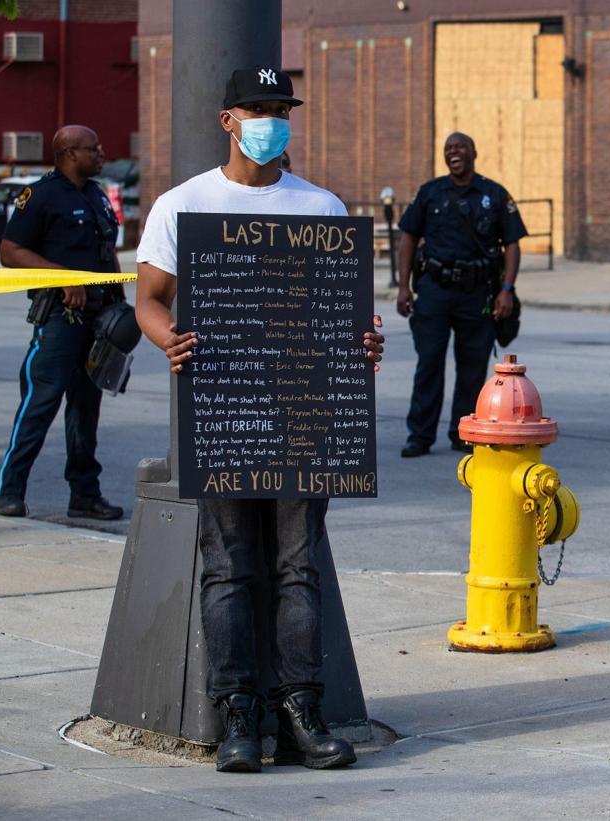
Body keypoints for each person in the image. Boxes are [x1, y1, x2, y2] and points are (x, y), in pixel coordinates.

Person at [133, 67, 385, 773]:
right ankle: (238, 713)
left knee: (297, 567)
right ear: (228, 120)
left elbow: (346, 313)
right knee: (229, 569)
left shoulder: (322, 206)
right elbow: (149, 298)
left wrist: (362, 341)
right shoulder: (183, 205)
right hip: (226, 408)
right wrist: (166, 336)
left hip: (305, 412)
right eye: (259, 108)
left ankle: (300, 710)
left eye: (281, 108)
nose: (272, 120)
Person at [0, 126, 125, 520]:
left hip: (99, 318)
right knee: (40, 403)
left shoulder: (96, 195)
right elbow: (10, 251)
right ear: (69, 153)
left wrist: (119, 303)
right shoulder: (41, 195)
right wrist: (63, 276)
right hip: (59, 318)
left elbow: (106, 252)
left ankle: (84, 493)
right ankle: (9, 491)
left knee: (86, 409)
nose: (101, 153)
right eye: (93, 148)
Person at [395, 132, 527, 458]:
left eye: (461, 148)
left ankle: (463, 433)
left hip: (477, 292)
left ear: (474, 153)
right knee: (429, 364)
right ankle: (420, 436)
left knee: (473, 366)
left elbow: (512, 244)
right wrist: (403, 286)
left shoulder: (494, 195)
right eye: (449, 149)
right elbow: (408, 239)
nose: (454, 153)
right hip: (434, 291)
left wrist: (507, 290)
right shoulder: (429, 193)